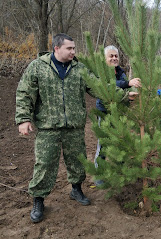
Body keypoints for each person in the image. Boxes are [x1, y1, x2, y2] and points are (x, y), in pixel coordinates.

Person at [15, 33, 93, 223]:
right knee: (45, 164)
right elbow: (25, 93)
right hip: (48, 126)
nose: (73, 52)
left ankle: (76, 189)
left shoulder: (80, 69)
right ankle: (39, 200)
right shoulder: (38, 67)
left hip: (73, 126)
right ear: (57, 48)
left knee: (77, 160)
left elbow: (98, 87)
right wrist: (24, 119)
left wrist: (123, 91)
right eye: (69, 48)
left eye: (74, 48)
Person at [94, 45, 141, 183]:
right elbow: (109, 86)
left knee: (121, 142)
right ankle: (99, 175)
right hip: (105, 112)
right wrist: (127, 84)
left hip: (120, 112)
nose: (114, 58)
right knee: (103, 144)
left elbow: (123, 89)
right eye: (111, 56)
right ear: (105, 58)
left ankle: (121, 171)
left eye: (116, 56)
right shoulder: (101, 71)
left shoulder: (120, 71)